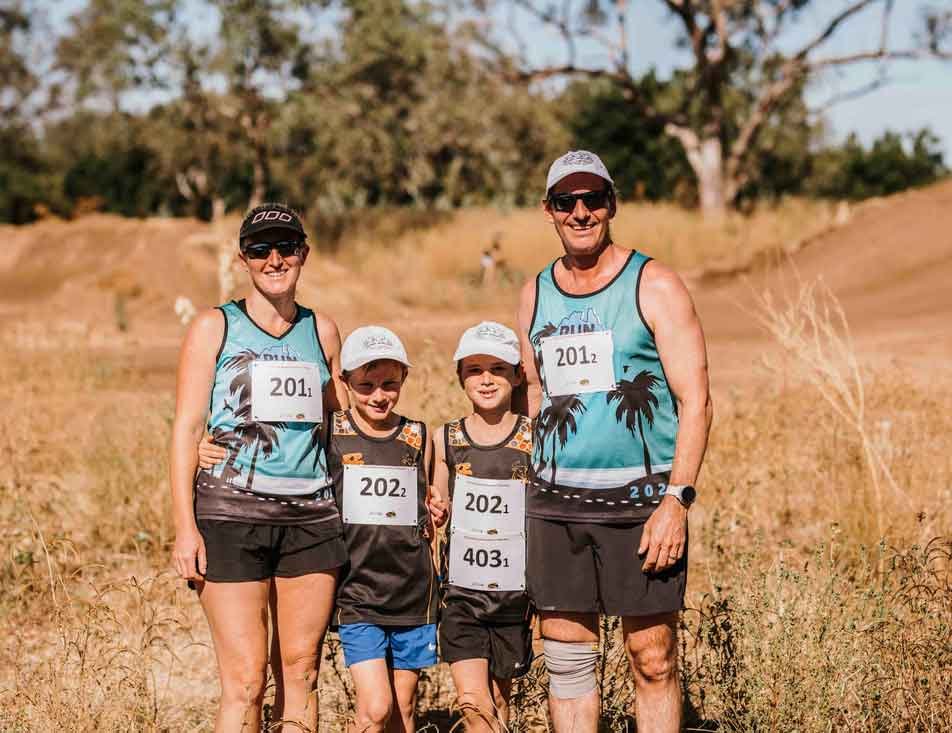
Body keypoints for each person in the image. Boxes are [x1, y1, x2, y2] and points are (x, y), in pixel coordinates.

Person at [515, 151, 713, 733]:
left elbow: (695, 399)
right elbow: (532, 393)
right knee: (569, 662)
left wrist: (677, 500)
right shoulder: (533, 293)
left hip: (642, 508)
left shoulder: (654, 283)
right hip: (555, 508)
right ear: (547, 210)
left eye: (593, 199)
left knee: (652, 659)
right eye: (566, 202)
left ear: (612, 203)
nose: (581, 213)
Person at [171, 203, 349, 733]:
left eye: (286, 247)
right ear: (242, 258)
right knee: (246, 682)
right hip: (229, 518)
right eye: (260, 249)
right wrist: (185, 528)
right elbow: (184, 427)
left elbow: (346, 419)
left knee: (302, 673)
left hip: (311, 521)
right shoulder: (213, 327)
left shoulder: (324, 331)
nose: (275, 259)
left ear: (304, 255)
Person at [327, 326, 439, 733]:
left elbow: (430, 499)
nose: (378, 395)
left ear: (404, 380)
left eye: (389, 384)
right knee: (375, 709)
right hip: (359, 593)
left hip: (412, 591)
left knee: (403, 710)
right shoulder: (331, 433)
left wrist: (437, 507)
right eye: (366, 385)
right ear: (346, 382)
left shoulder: (419, 435)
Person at [428, 322, 534, 732]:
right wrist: (436, 509)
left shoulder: (533, 437)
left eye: (497, 369)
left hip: (513, 598)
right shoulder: (446, 438)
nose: (486, 379)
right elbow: (438, 502)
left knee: (499, 704)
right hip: (462, 596)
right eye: (474, 369)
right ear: (459, 376)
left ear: (516, 375)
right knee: (474, 707)